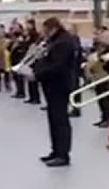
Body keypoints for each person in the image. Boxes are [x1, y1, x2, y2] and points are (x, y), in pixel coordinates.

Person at [32, 16, 79, 167]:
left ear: (52, 28)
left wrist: (37, 74)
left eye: (45, 29)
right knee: (54, 119)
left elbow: (57, 65)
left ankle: (63, 154)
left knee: (60, 120)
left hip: (59, 85)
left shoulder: (63, 42)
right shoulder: (55, 41)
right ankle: (56, 151)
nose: (43, 33)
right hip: (52, 85)